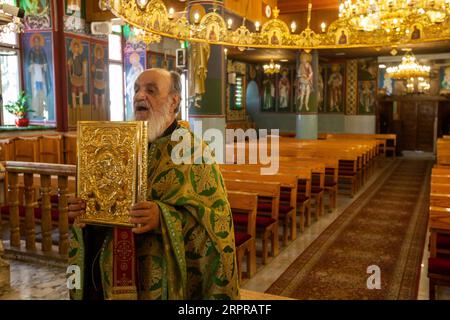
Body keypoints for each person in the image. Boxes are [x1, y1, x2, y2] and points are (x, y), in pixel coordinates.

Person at [67, 68, 240, 300]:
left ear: (173, 101)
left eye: (150, 90)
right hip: (113, 273)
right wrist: (86, 209)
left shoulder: (194, 152)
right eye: (136, 89)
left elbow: (215, 222)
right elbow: (104, 200)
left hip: (160, 278)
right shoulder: (118, 145)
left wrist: (163, 217)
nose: (139, 96)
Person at [27, 33, 51, 119]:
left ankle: (43, 112)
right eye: (35, 41)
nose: (37, 43)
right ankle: (35, 112)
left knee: (42, 92)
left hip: (42, 75)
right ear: (33, 42)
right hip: (34, 76)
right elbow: (29, 65)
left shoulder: (42, 51)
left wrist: (43, 66)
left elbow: (45, 63)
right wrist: (33, 66)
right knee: (35, 93)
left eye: (38, 41)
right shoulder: (31, 52)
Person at [67, 38, 86, 120]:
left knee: (81, 95)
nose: (76, 49)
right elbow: (69, 67)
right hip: (74, 78)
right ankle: (74, 117)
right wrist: (70, 63)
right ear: (73, 48)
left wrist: (84, 76)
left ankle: (81, 117)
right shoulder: (71, 58)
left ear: (79, 48)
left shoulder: (81, 57)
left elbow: (84, 67)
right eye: (74, 47)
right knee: (73, 95)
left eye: (77, 47)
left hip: (80, 78)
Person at [91, 46, 108, 120]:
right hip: (96, 81)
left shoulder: (103, 63)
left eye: (99, 53)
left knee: (103, 99)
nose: (98, 54)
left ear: (101, 54)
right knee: (96, 98)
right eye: (97, 53)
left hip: (102, 82)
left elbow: (106, 72)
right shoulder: (94, 62)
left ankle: (103, 117)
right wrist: (93, 70)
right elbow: (92, 72)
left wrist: (105, 81)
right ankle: (97, 117)